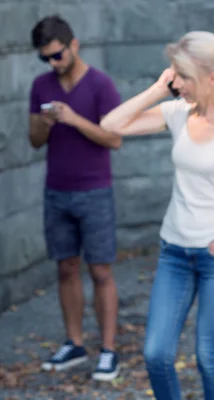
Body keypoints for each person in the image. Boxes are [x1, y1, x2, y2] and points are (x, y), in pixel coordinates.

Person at [100, 31, 214, 399]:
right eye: (174, 74)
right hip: (174, 252)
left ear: (211, 78)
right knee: (156, 354)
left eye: (183, 75)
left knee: (208, 356)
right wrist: (158, 88)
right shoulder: (177, 111)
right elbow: (110, 126)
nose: (176, 81)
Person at [28, 15, 122, 381]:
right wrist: (44, 122)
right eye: (45, 58)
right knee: (65, 267)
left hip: (95, 191)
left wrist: (73, 119)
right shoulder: (41, 85)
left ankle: (109, 350)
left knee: (100, 270)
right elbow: (35, 141)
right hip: (56, 191)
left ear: (74, 45)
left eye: (56, 55)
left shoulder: (101, 85)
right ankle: (75, 343)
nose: (52, 63)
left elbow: (114, 139)